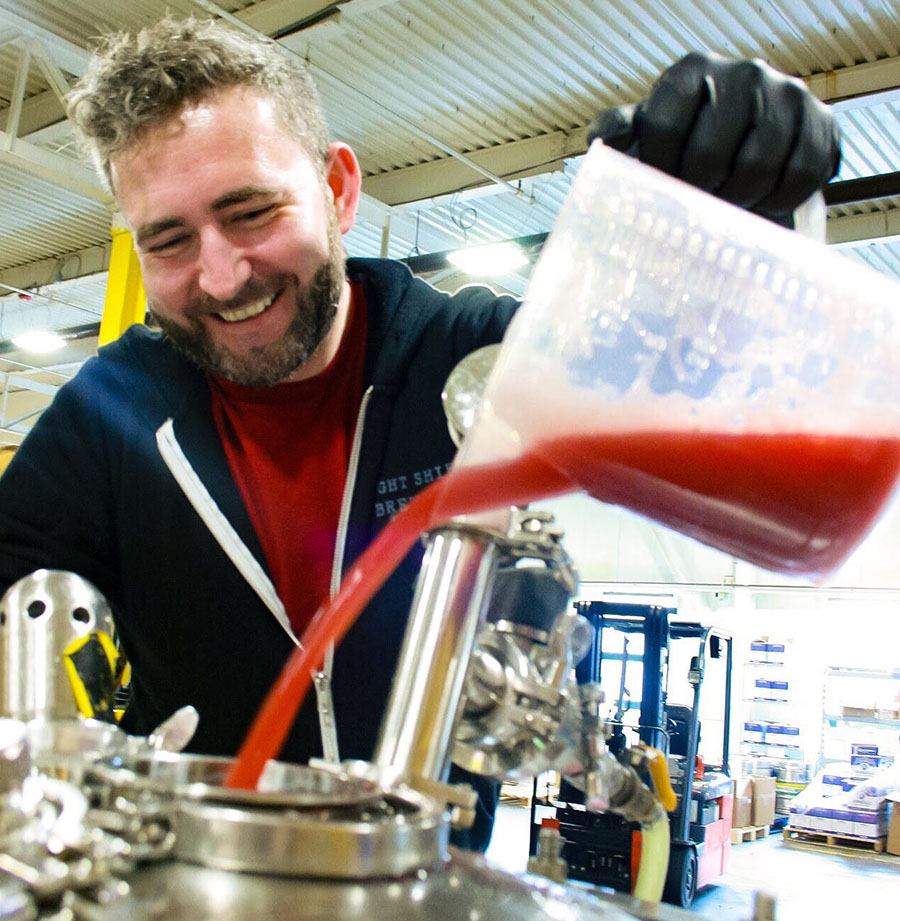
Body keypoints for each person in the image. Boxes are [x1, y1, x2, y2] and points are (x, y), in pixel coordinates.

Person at [0, 16, 839, 851]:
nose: (221, 276)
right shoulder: (110, 415)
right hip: (200, 886)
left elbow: (742, 438)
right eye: (169, 239)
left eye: (250, 212)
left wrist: (740, 253)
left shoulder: (475, 358)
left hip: (424, 886)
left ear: (338, 189)